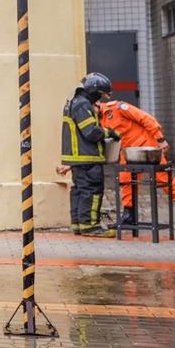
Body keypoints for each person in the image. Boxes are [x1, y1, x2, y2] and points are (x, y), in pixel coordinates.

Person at [97, 87, 175, 228]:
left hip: (147, 147)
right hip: (128, 152)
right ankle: (129, 214)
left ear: (97, 103)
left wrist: (160, 139)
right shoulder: (99, 120)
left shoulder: (118, 107)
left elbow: (145, 118)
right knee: (125, 180)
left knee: (163, 178)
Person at [56, 73, 119, 236]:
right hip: (87, 157)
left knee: (79, 191)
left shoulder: (73, 102)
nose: (99, 99)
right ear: (93, 90)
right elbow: (91, 132)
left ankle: (79, 224)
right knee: (92, 191)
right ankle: (90, 226)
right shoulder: (82, 105)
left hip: (77, 158)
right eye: (100, 95)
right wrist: (110, 133)